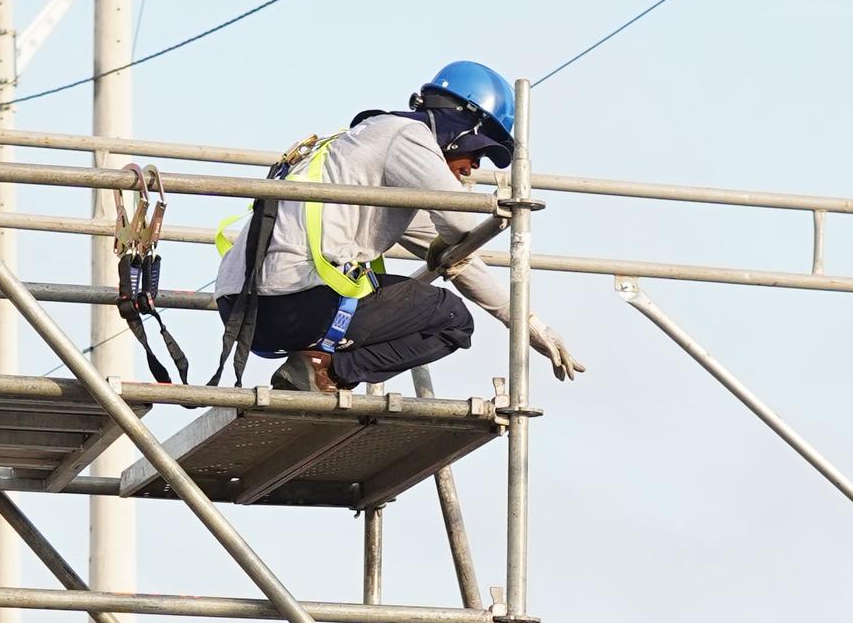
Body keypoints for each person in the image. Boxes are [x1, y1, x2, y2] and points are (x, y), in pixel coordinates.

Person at [210, 60, 584, 395]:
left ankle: (314, 367)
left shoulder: (363, 149)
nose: (474, 167)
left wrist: (527, 323)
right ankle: (324, 370)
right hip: (291, 303)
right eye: (477, 151)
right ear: (460, 129)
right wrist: (450, 238)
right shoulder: (407, 135)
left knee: (437, 307)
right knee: (451, 319)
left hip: (241, 312)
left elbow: (461, 256)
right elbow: (459, 222)